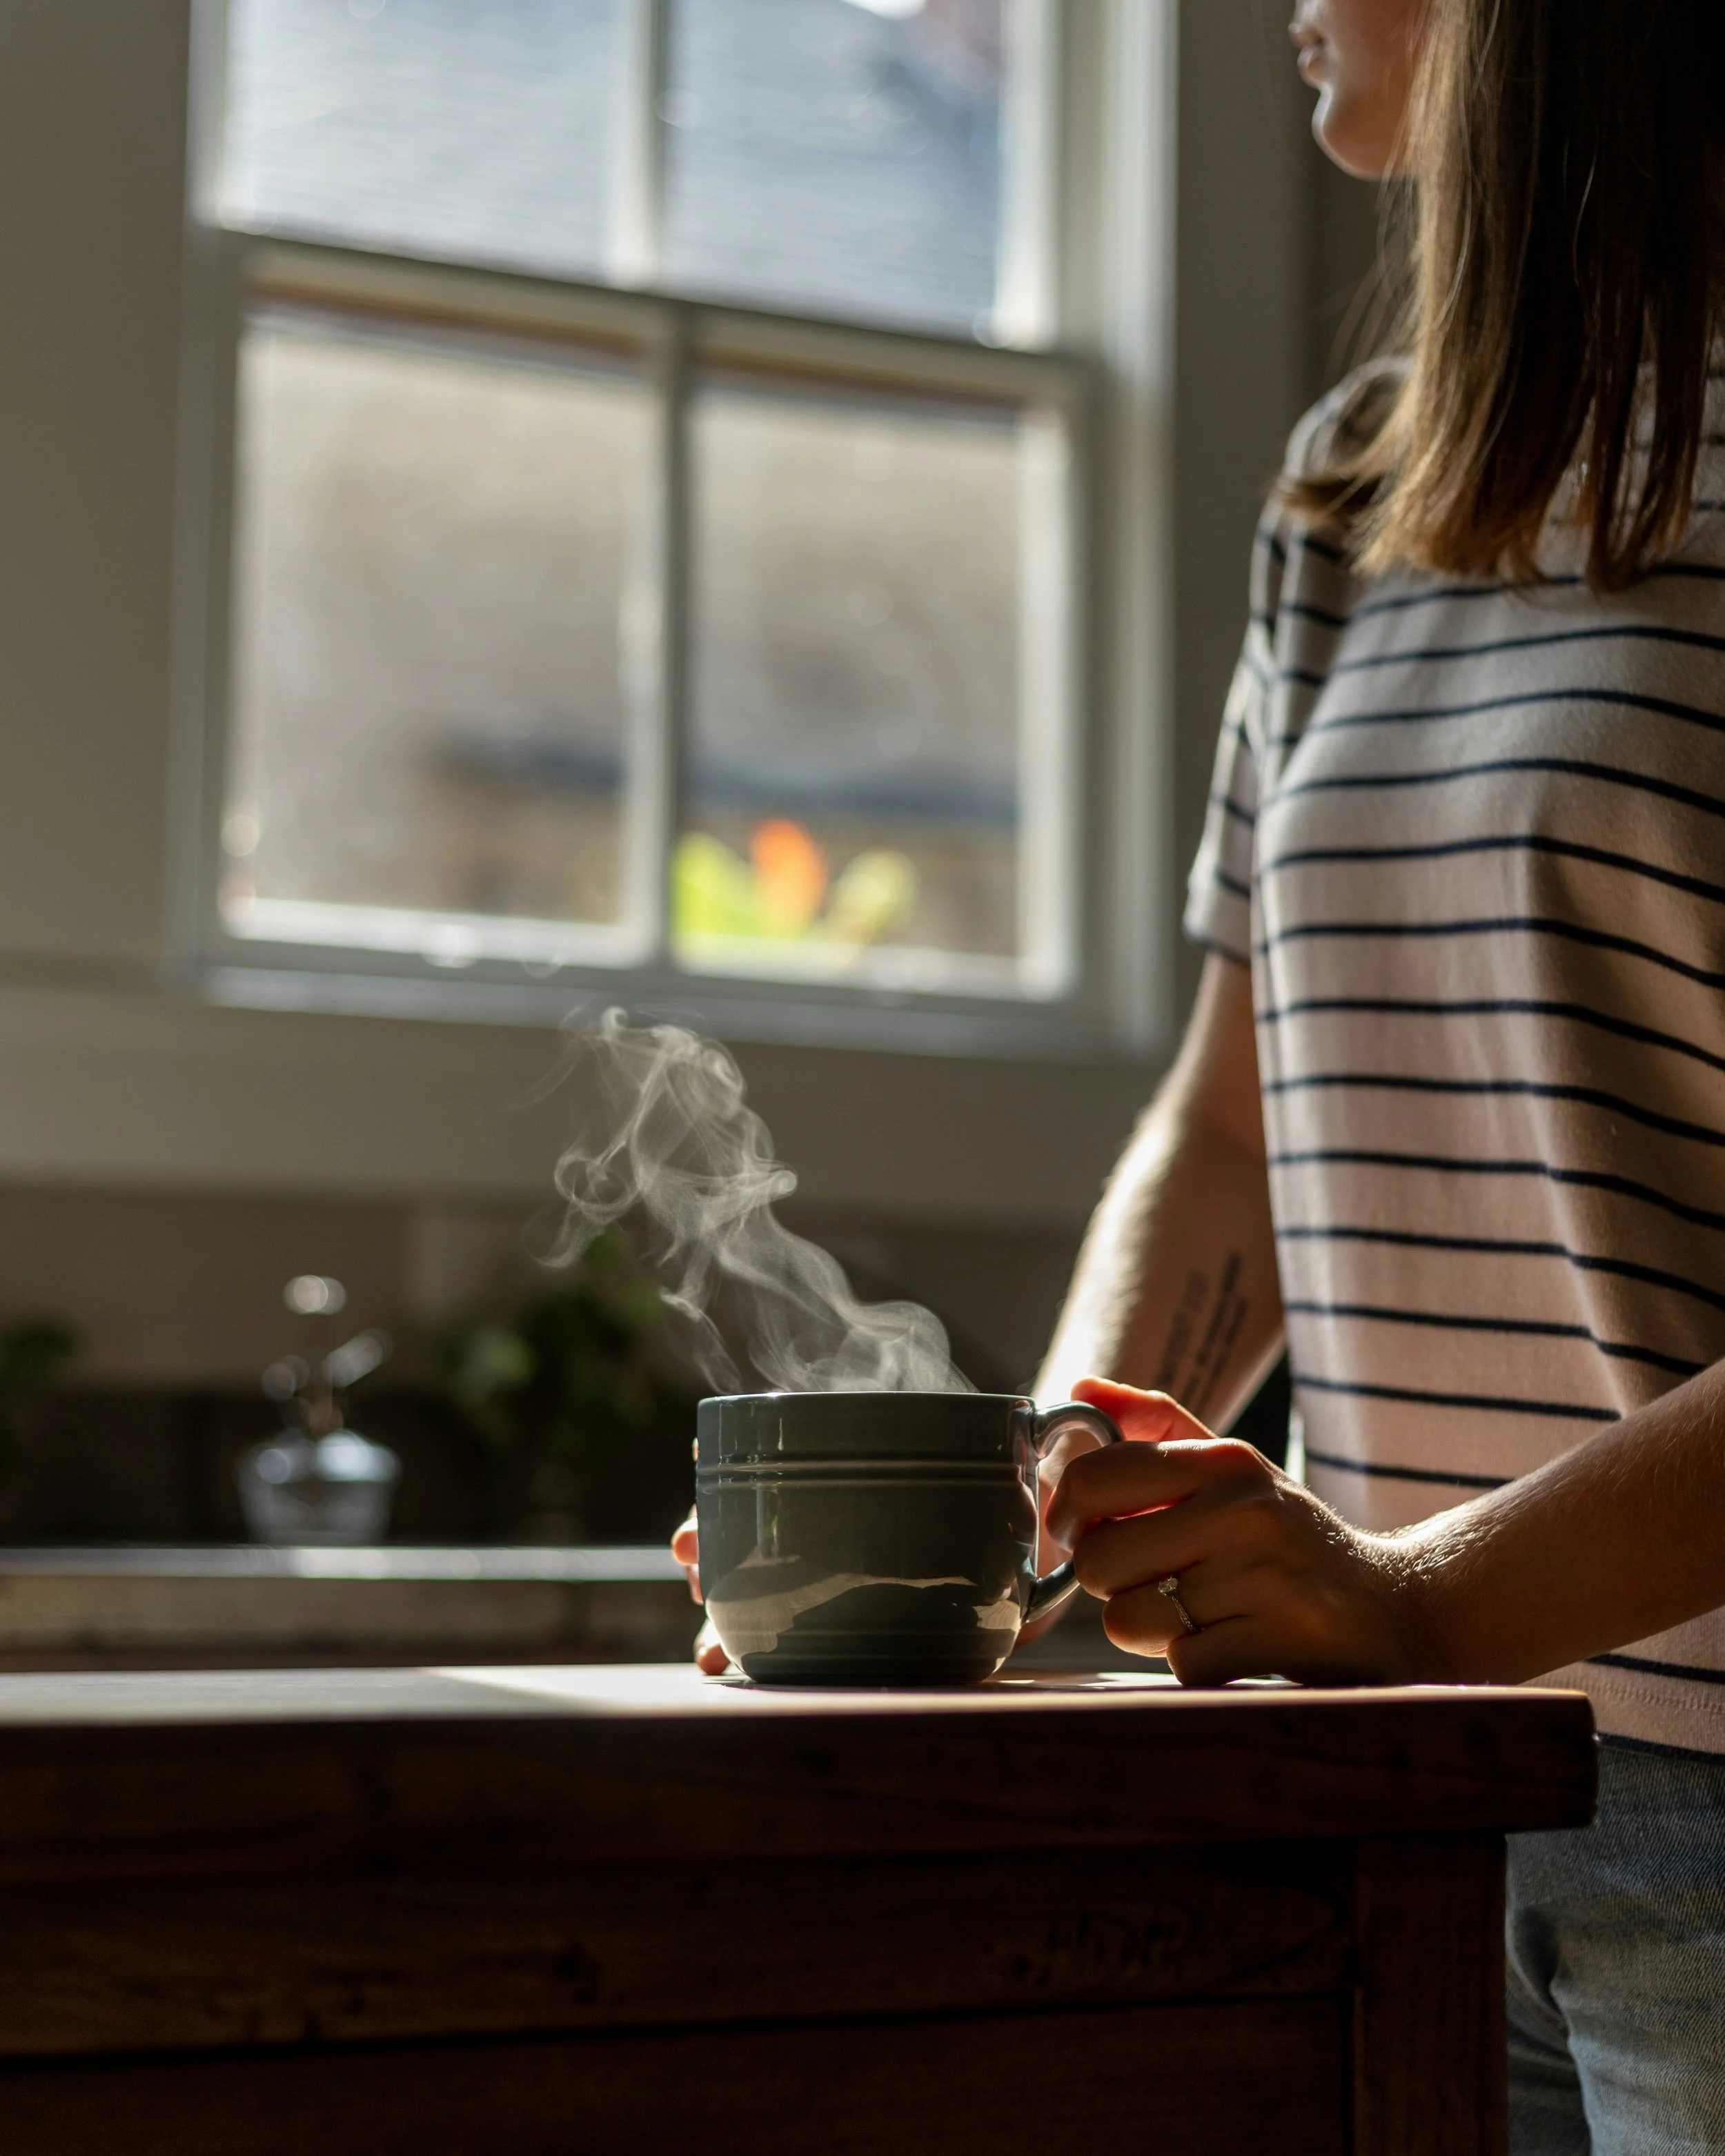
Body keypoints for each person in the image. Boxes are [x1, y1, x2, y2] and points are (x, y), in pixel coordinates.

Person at [678, 3, 1725, 2145]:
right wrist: (1032, 1501)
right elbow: (1235, 1117)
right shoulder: (1356, 479)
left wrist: (1419, 1589)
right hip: (1396, 1787)